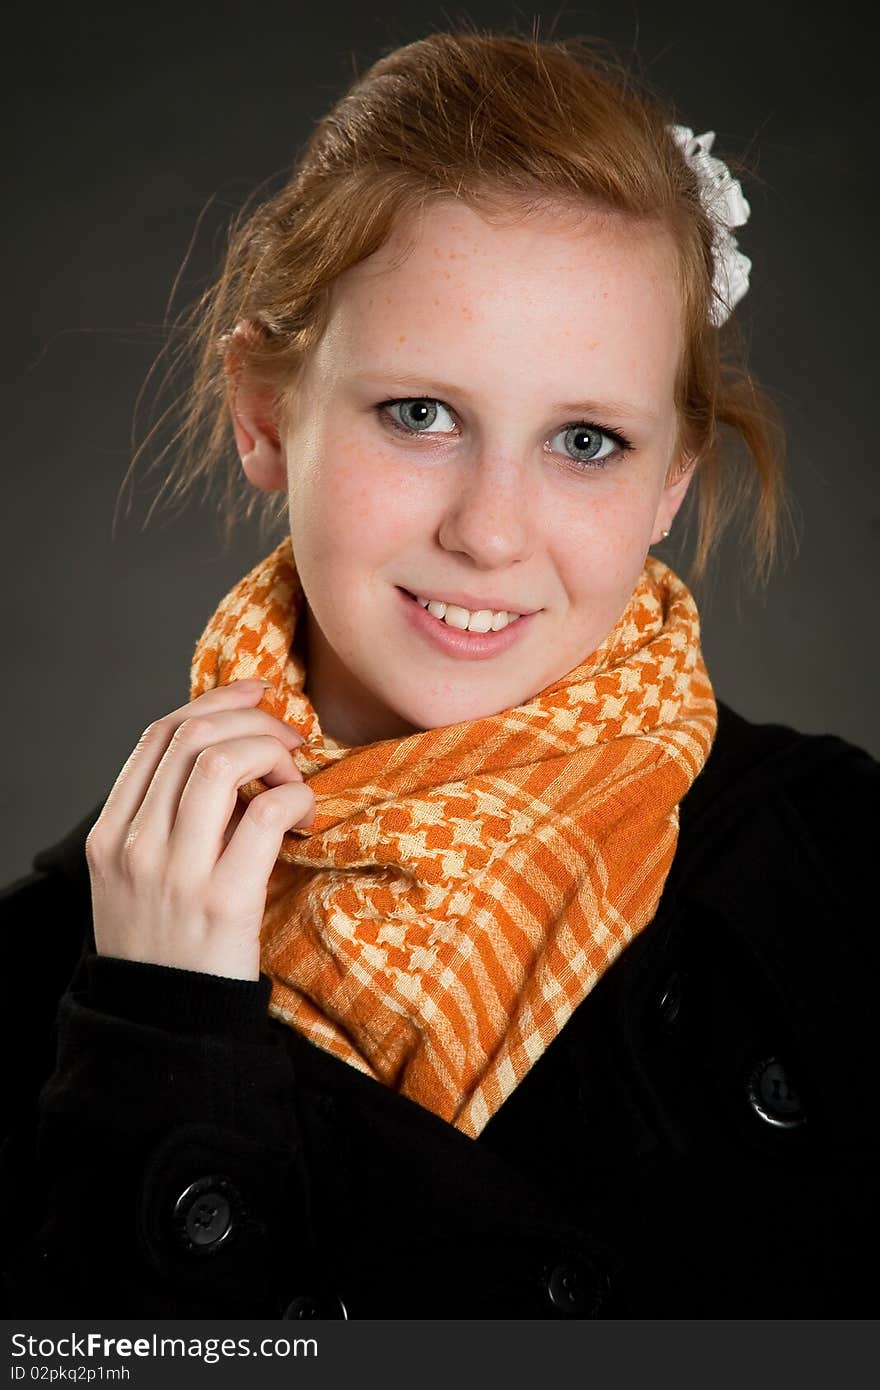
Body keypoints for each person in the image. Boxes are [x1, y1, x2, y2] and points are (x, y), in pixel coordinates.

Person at [1, 27, 877, 1320]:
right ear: (264, 411)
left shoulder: (839, 869)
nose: (491, 529)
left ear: (668, 487)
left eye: (586, 440)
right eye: (420, 414)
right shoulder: (54, 976)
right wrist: (167, 1048)